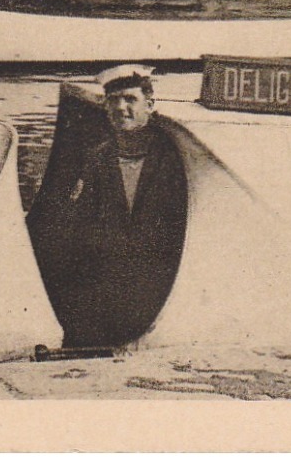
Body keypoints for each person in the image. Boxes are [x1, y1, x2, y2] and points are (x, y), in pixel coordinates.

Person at [27, 65, 188, 350]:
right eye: (112, 100)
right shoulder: (97, 159)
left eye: (130, 99)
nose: (120, 108)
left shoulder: (171, 160)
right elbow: (79, 222)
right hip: (107, 283)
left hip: (156, 285)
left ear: (150, 105)